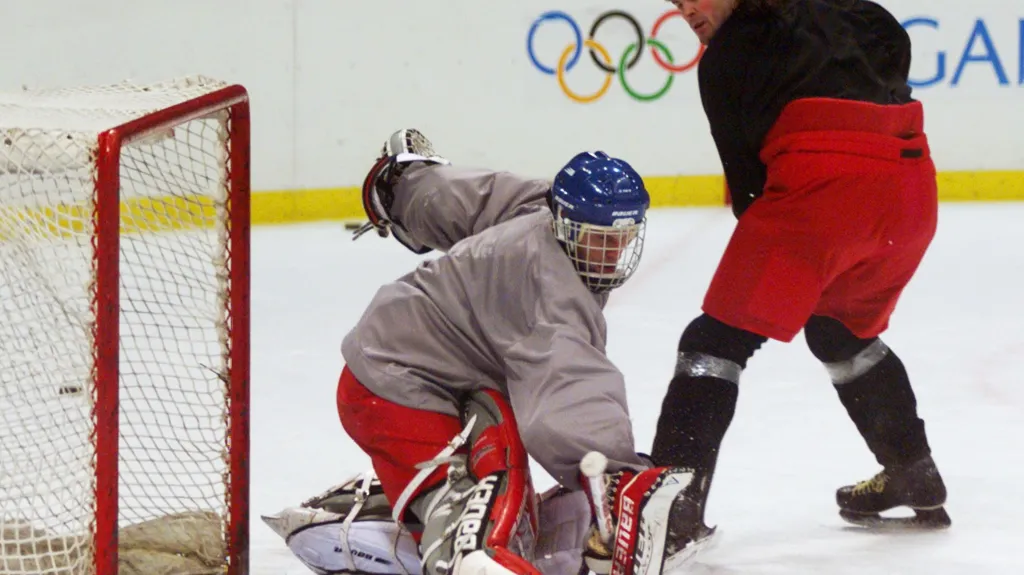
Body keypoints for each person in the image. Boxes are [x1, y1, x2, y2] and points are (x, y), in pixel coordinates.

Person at [272, 129, 701, 575]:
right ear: (568, 224)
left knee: (504, 486)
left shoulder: (543, 210)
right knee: (470, 521)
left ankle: (391, 506)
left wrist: (403, 185)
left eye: (625, 236)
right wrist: (615, 477)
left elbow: (467, 198)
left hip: (438, 370)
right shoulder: (552, 294)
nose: (613, 253)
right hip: (395, 387)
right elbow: (568, 386)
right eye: (600, 238)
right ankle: (408, 535)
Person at [651, 0, 950, 552]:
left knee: (712, 344)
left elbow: (748, 190)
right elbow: (895, 63)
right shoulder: (862, 13)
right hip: (911, 192)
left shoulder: (728, 54)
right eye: (673, 0)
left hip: (826, 194)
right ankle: (913, 471)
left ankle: (669, 514)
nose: (685, 9)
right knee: (840, 331)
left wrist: (793, 255)